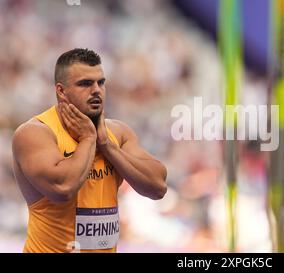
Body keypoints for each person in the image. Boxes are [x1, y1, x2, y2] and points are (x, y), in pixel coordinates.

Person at [11, 48, 167, 253]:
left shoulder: (116, 133)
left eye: (100, 82)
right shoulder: (35, 133)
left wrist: (107, 146)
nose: (96, 90)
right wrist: (87, 139)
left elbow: (158, 186)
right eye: (85, 84)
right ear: (61, 90)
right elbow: (62, 188)